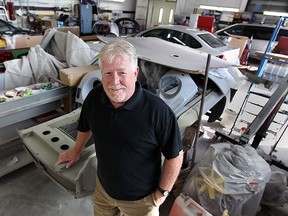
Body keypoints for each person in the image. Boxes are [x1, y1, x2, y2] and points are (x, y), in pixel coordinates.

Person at [55, 40, 183, 216]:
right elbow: (85, 126)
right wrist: (75, 151)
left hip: (142, 201)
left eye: (122, 73)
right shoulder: (94, 98)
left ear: (135, 72)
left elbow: (175, 156)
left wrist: (162, 193)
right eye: (108, 73)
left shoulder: (158, 112)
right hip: (103, 191)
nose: (114, 81)